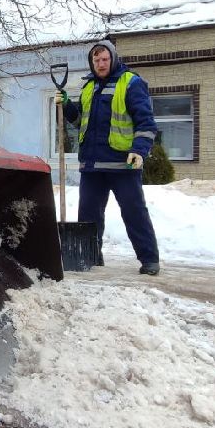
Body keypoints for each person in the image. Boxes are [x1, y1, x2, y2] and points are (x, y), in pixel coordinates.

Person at [57, 40, 161, 275]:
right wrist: (66, 106)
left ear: (113, 59)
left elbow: (146, 122)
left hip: (123, 163)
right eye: (96, 60)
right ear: (91, 62)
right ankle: (90, 257)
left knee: (134, 212)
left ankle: (149, 259)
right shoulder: (88, 87)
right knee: (88, 216)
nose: (100, 64)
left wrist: (139, 149)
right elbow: (79, 122)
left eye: (104, 59)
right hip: (92, 165)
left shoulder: (131, 83)